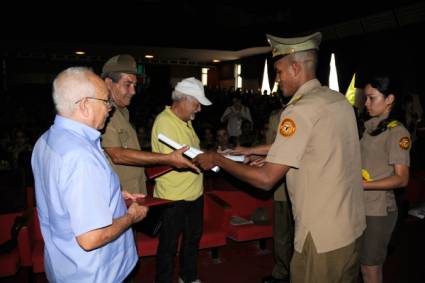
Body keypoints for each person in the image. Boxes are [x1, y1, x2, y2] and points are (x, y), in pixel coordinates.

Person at [194, 32, 366, 283]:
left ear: (295, 67)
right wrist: (251, 150)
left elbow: (266, 179)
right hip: (351, 227)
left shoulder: (299, 110)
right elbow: (312, 145)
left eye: (279, 71)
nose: (277, 80)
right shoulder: (336, 100)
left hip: (320, 237)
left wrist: (219, 160)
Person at [31, 67, 149, 282]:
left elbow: (65, 199)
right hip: (97, 272)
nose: (109, 109)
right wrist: (131, 217)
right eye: (106, 102)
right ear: (85, 105)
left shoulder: (45, 141)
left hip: (64, 264)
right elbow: (91, 238)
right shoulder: (81, 156)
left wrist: (114, 196)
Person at [101, 54, 197, 195]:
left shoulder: (122, 111)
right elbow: (117, 155)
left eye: (134, 85)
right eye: (127, 84)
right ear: (109, 83)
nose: (133, 91)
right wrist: (167, 159)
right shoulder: (103, 114)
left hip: (134, 192)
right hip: (119, 197)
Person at [151, 77, 212, 283]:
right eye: (196, 104)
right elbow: (180, 160)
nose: (199, 109)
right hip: (173, 198)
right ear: (184, 100)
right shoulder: (165, 122)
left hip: (194, 194)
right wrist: (211, 160)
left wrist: (212, 156)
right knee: (168, 247)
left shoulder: (185, 121)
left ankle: (188, 277)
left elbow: (193, 151)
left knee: (192, 241)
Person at [360, 74, 410, 283]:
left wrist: (363, 184)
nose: (366, 103)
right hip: (361, 205)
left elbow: (401, 179)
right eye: (366, 98)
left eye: (372, 98)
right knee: (363, 265)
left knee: (370, 268)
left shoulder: (397, 133)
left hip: (379, 209)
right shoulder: (370, 128)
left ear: (389, 99)